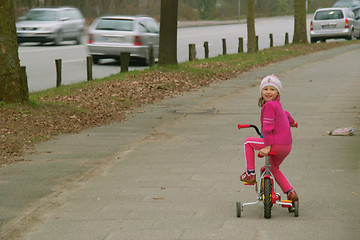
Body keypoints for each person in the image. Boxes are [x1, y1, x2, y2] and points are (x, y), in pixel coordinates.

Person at [239, 75, 298, 204]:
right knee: (273, 168)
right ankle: (290, 192)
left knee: (248, 142)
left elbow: (267, 128)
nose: (268, 92)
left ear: (278, 92)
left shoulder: (269, 106)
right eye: (265, 89)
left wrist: (267, 146)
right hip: (286, 146)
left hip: (274, 144)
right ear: (261, 91)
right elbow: (287, 116)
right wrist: (293, 124)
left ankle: (250, 174)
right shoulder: (278, 106)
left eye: (272, 89)